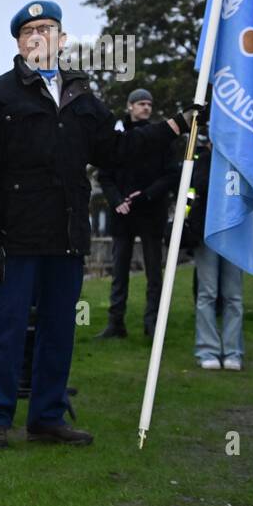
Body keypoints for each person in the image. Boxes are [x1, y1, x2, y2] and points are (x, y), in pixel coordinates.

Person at [0, 1, 190, 450]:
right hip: (15, 237)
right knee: (3, 328)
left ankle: (47, 418)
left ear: (63, 39)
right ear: (18, 41)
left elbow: (117, 150)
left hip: (68, 235)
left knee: (59, 328)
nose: (40, 37)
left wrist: (173, 126)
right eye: (30, 30)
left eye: (48, 29)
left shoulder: (84, 98)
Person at [96, 88, 180, 338]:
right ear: (130, 106)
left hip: (151, 213)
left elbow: (172, 174)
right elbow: (105, 176)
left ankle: (152, 323)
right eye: (141, 103)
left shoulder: (162, 137)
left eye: (149, 104)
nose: (146, 108)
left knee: (154, 273)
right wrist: (117, 201)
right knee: (119, 272)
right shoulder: (117, 137)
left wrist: (146, 195)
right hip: (122, 215)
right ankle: (115, 323)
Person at [187, 135, 244, 370]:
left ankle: (233, 351)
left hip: (234, 234)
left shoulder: (241, 160)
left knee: (233, 295)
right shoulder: (202, 160)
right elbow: (192, 192)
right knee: (207, 293)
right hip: (207, 234)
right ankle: (207, 349)